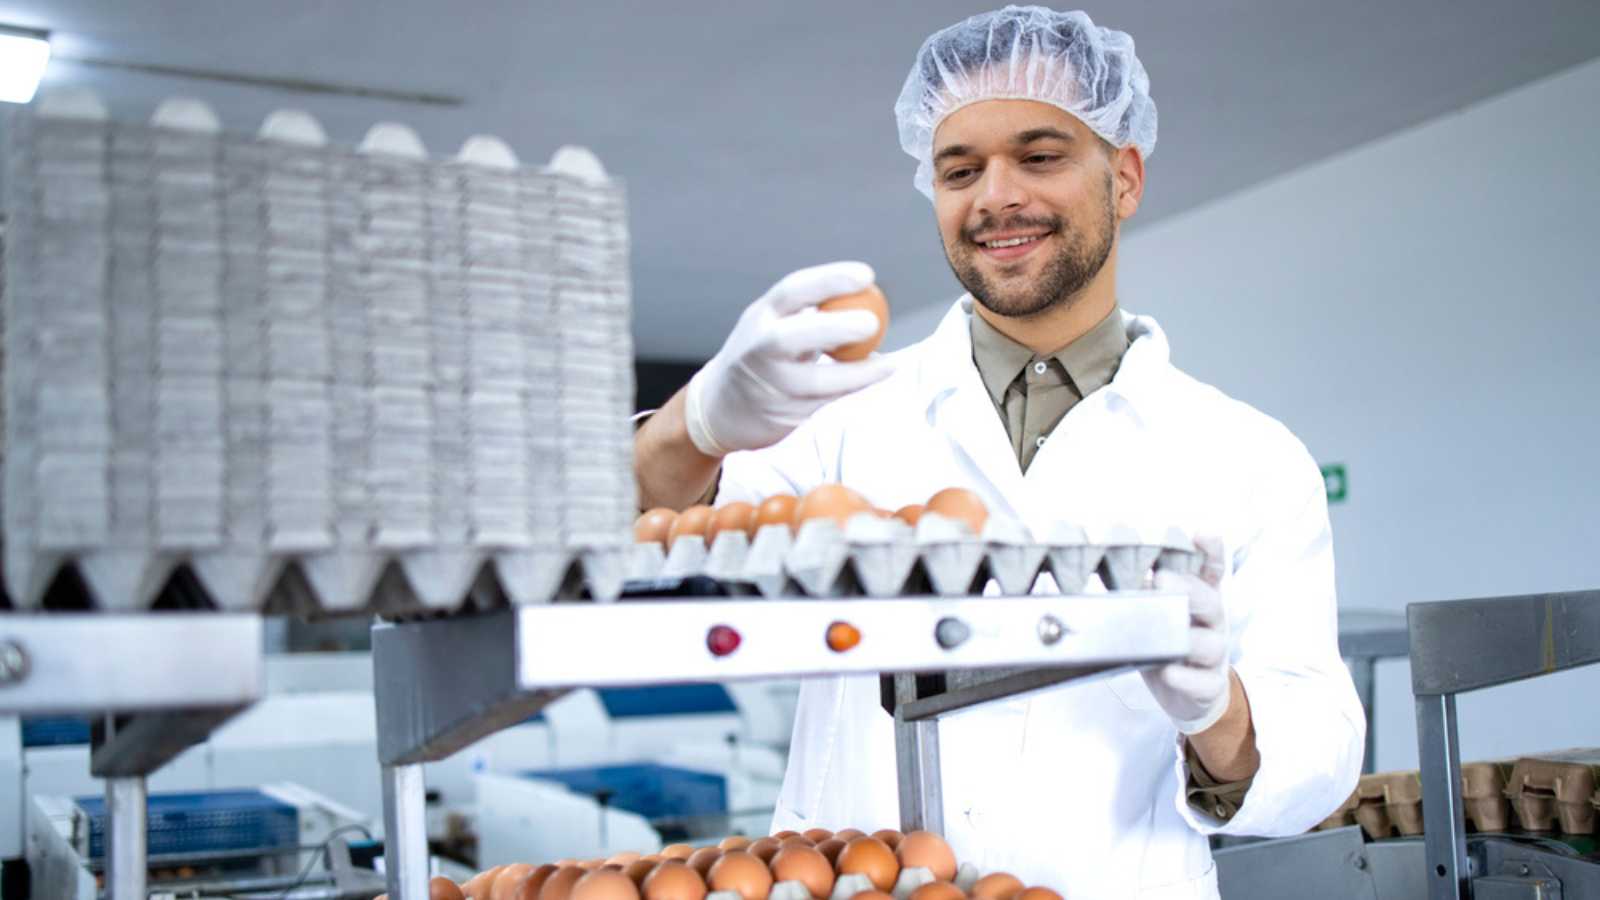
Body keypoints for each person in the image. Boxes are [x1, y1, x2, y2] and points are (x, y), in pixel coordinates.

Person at [633, 7, 1363, 898]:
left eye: (1040, 156)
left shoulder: (1248, 456)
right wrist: (694, 425)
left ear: (1124, 178)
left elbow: (1318, 763)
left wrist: (1219, 712)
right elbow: (631, 546)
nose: (996, 197)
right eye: (960, 169)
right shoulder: (840, 419)